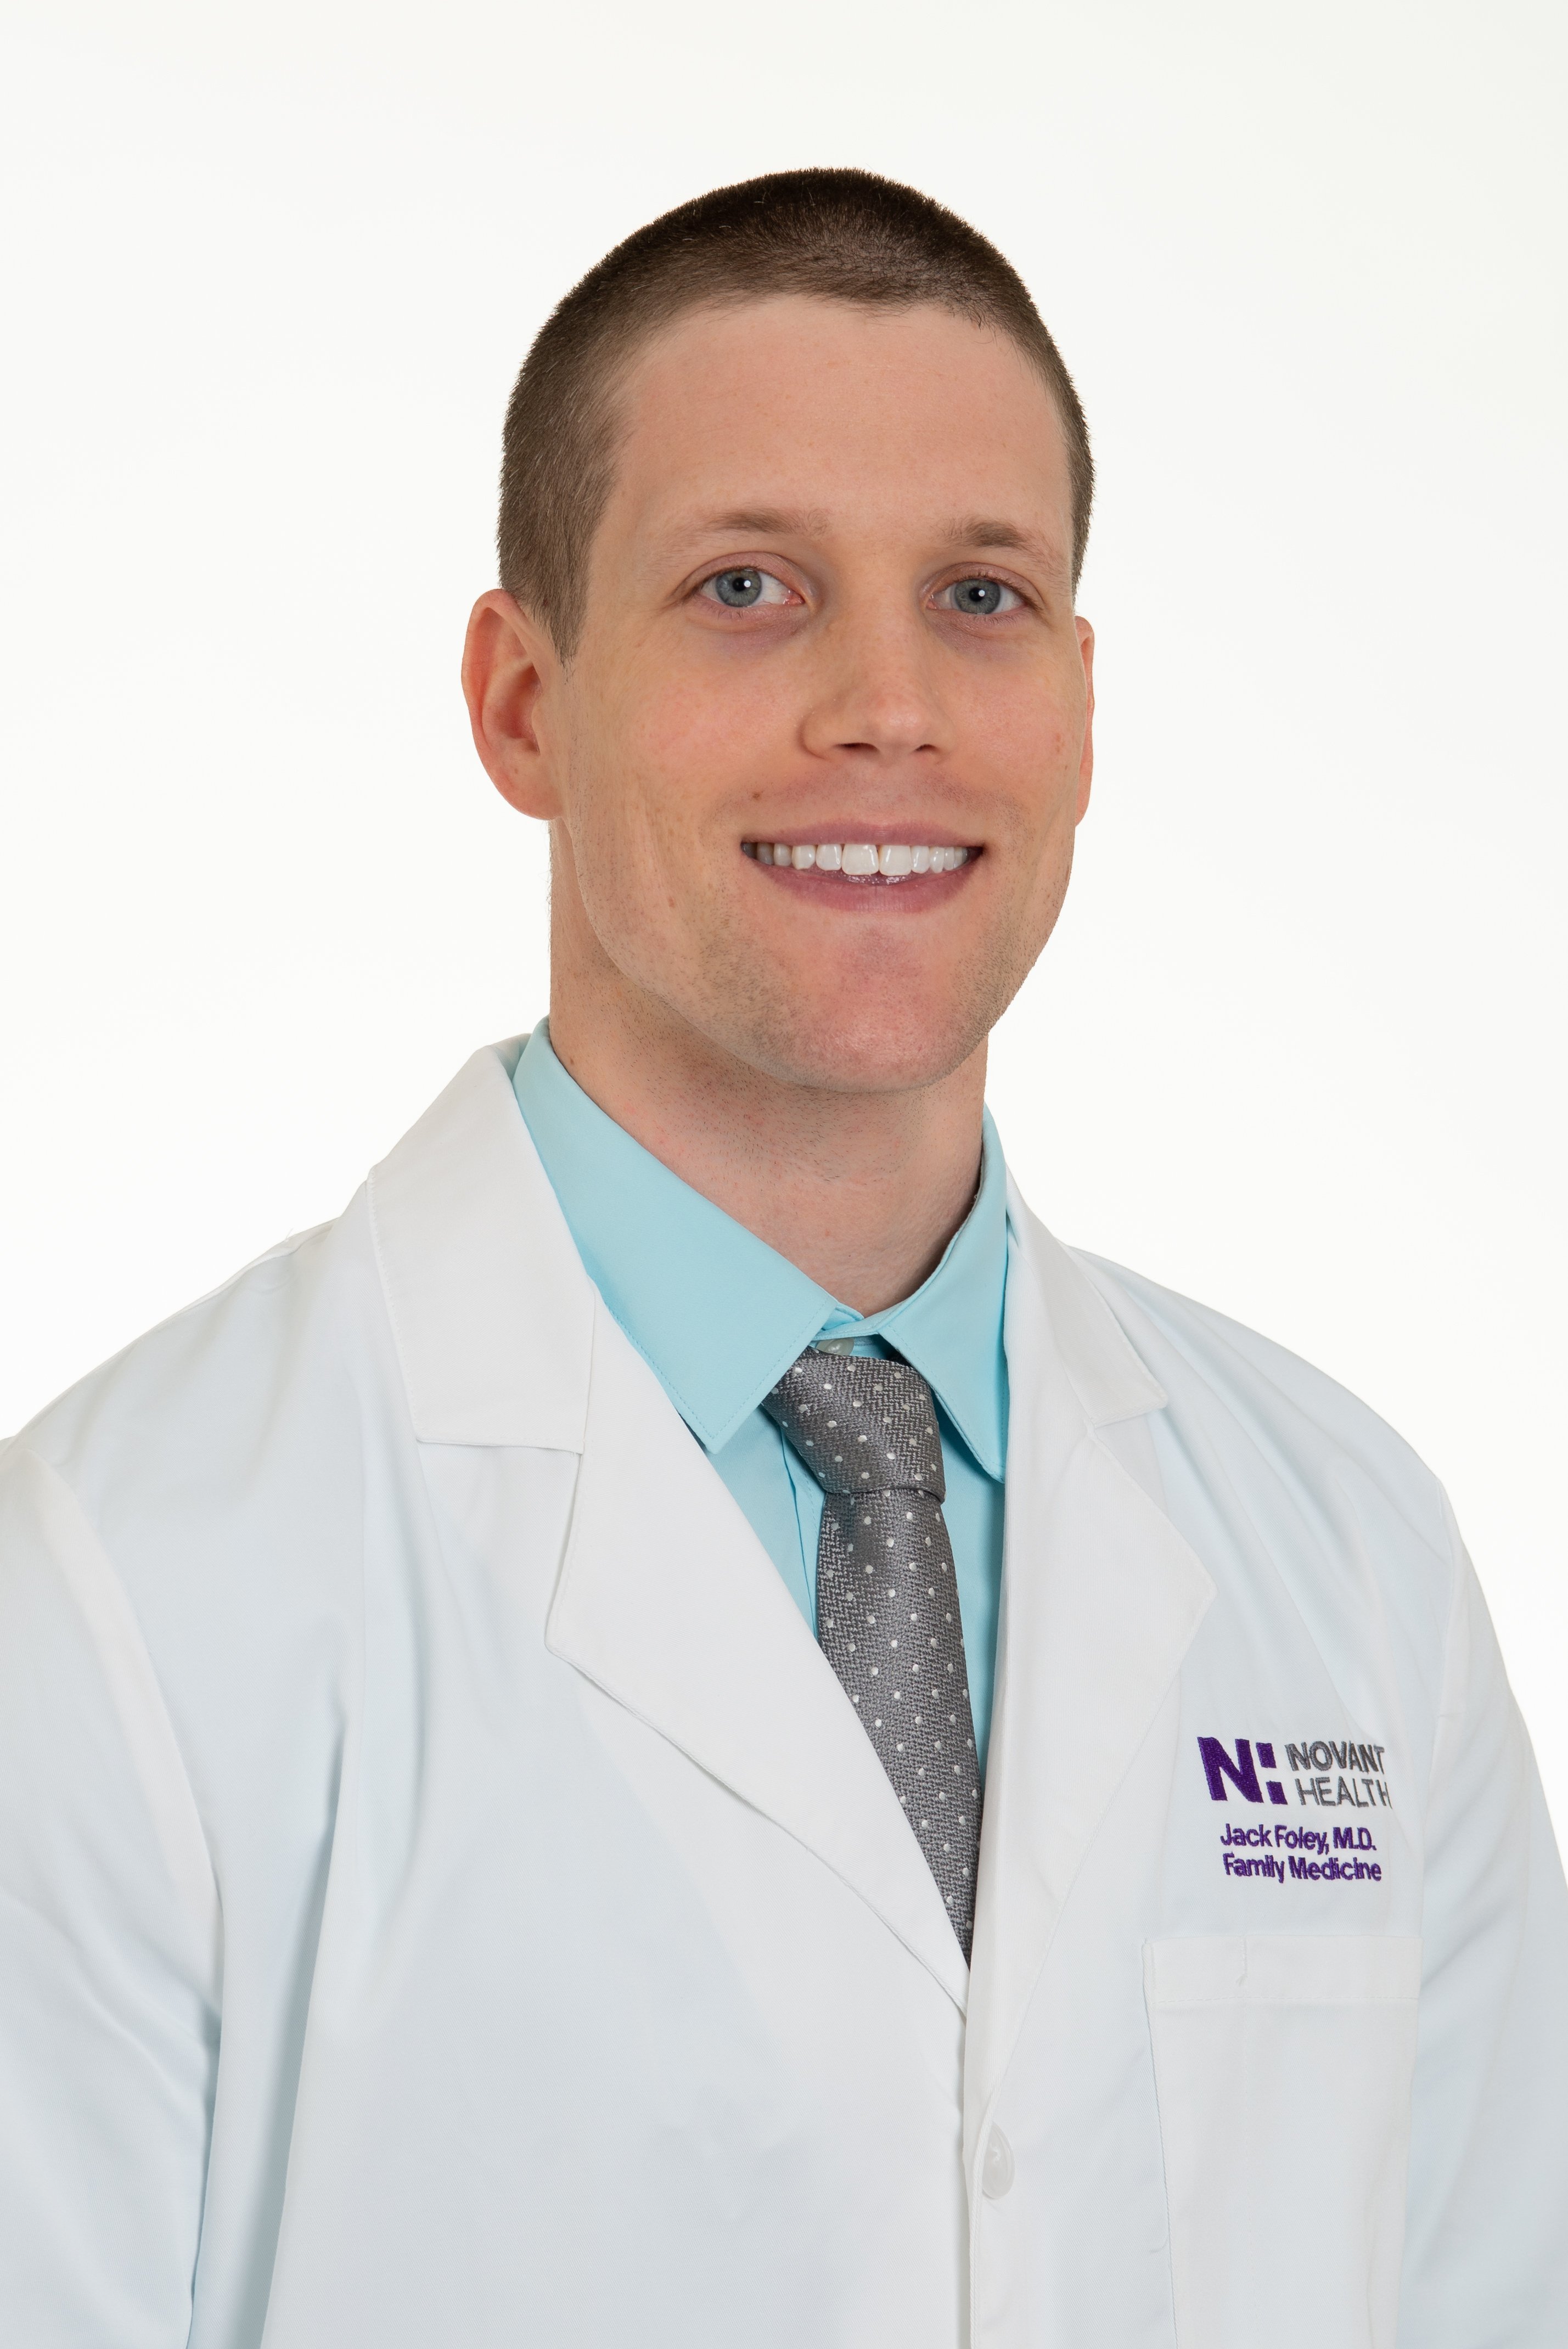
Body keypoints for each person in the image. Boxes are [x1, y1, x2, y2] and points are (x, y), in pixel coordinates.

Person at [1, 168, 1561, 2349]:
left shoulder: (1354, 1557)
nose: (886, 706)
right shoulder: (123, 1590)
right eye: (747, 585)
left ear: (1081, 708)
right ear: (521, 701)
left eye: (979, 595)